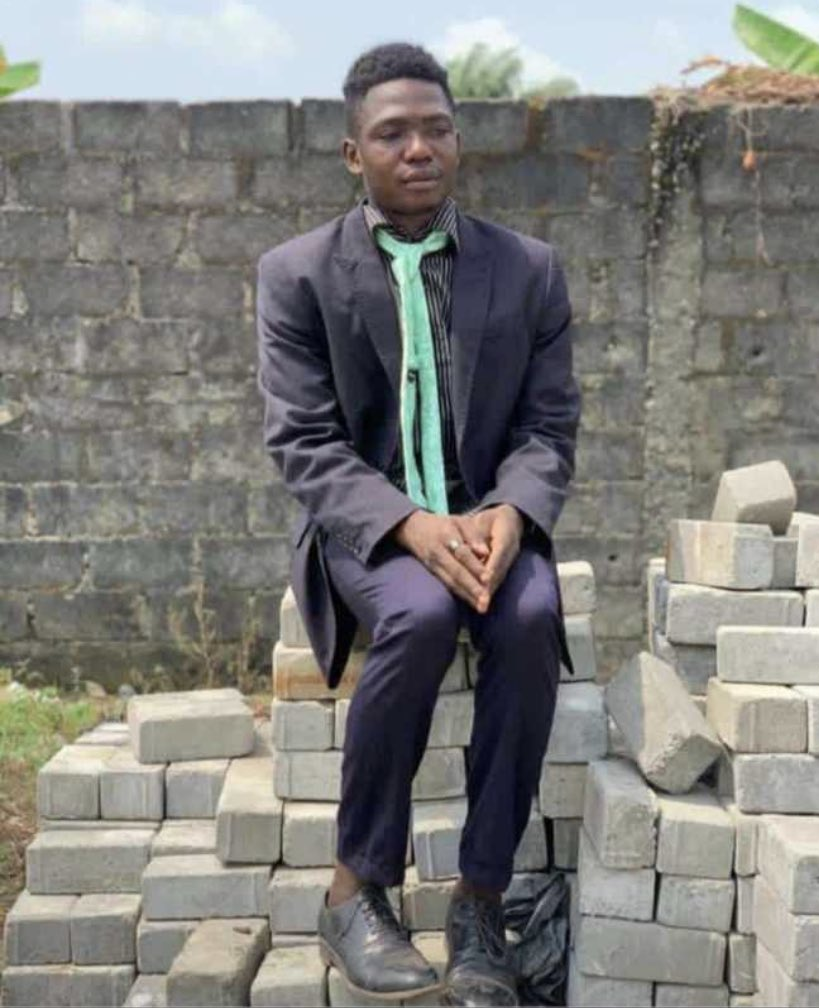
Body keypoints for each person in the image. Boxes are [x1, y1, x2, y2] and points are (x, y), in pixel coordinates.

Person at [256, 41, 581, 1008]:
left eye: (436, 129)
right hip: (372, 529)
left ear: (459, 140)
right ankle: (355, 889)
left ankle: (479, 905)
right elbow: (304, 442)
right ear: (353, 153)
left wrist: (513, 510)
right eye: (393, 134)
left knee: (530, 618)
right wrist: (408, 524)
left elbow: (549, 425)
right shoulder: (297, 275)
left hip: (490, 516)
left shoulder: (527, 270)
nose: (419, 149)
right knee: (422, 614)